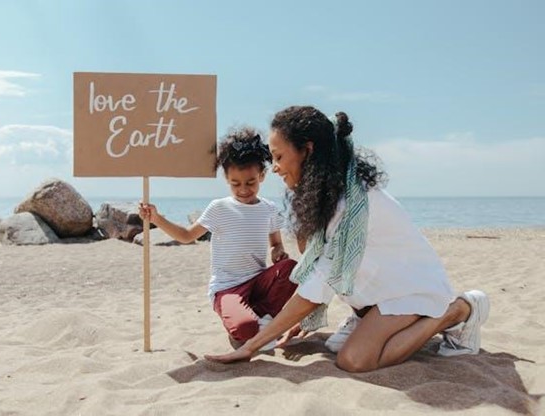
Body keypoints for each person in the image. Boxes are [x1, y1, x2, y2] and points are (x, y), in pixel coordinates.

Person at [205, 106, 490, 372]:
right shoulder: (326, 191)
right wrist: (301, 316)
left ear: (307, 150)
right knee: (338, 345)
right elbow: (316, 266)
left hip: (411, 290)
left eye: (279, 157)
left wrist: (252, 346)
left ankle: (456, 310)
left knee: (355, 359)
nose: (275, 167)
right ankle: (366, 316)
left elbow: (320, 280)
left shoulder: (350, 205)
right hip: (376, 294)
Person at [139, 127, 297, 349]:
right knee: (244, 329)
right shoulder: (219, 208)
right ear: (226, 179)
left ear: (261, 175)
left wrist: (278, 253)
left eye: (250, 182)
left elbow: (276, 244)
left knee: (291, 269)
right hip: (228, 288)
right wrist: (157, 218)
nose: (243, 189)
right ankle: (249, 327)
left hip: (258, 283)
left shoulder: (268, 209)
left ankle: (264, 320)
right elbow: (186, 236)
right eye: (235, 183)